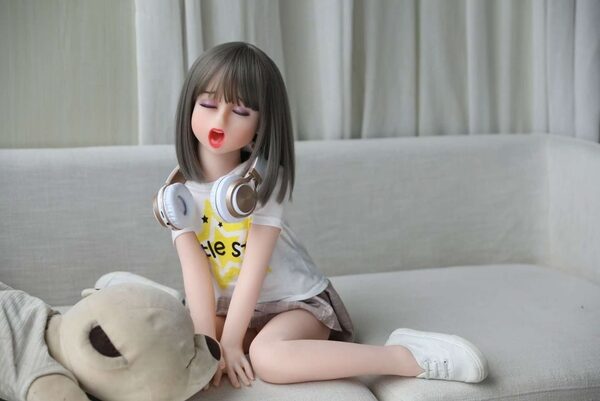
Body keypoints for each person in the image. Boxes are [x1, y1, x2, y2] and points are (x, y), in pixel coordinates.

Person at [156, 41, 489, 388]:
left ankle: (404, 357)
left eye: (240, 111)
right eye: (208, 104)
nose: (220, 119)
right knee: (181, 343)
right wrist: (210, 347)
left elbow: (253, 268)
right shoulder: (176, 193)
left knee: (268, 359)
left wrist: (231, 341)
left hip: (292, 304)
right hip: (228, 308)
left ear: (261, 124)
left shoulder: (261, 182)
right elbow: (195, 271)